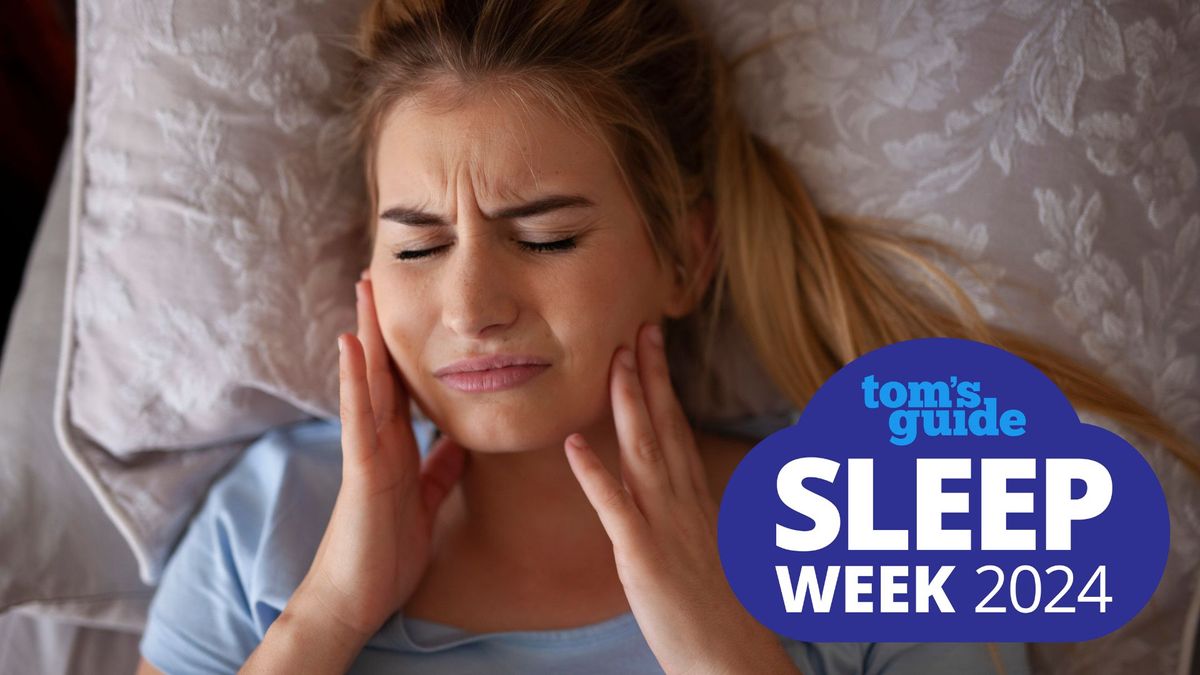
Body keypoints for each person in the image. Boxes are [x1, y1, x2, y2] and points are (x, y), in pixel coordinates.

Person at [135, 0, 1197, 673]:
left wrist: (724, 652)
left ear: (685, 258)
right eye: (416, 248)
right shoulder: (262, 533)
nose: (470, 306)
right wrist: (326, 620)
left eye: (545, 236)